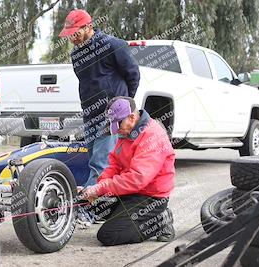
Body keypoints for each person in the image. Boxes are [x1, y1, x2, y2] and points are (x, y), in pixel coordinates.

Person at [59, 9, 140, 190]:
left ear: (89, 27)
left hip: (111, 115)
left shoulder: (113, 45)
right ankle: (109, 197)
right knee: (94, 159)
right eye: (69, 35)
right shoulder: (76, 54)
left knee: (100, 163)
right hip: (89, 114)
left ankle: (92, 207)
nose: (72, 38)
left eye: (75, 33)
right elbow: (86, 82)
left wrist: (123, 106)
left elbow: (133, 74)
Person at [81, 96, 175, 246]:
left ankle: (159, 220)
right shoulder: (127, 132)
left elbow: (137, 179)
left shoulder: (152, 136)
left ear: (131, 117)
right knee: (90, 204)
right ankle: (129, 218)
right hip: (131, 192)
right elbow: (114, 165)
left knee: (108, 235)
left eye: (118, 124)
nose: (116, 129)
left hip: (150, 198)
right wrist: (98, 187)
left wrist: (101, 188)